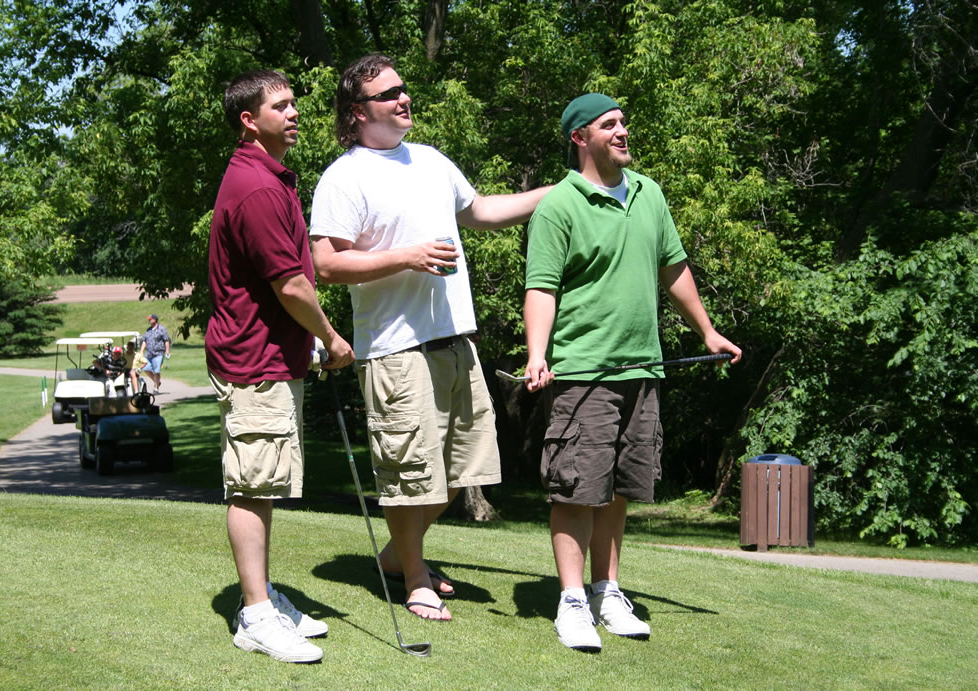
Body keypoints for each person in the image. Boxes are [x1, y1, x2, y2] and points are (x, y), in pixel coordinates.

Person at [310, 53, 552, 622]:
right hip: (395, 347)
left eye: (403, 89)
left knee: (461, 468)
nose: (403, 98)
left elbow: (484, 211)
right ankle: (414, 576)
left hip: (453, 341)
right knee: (410, 473)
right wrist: (407, 257)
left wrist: (559, 191)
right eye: (388, 93)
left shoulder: (431, 161)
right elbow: (324, 264)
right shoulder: (344, 177)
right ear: (355, 112)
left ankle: (398, 555)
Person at [522, 94, 742, 652]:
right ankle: (571, 603)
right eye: (609, 124)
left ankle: (606, 590)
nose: (623, 130)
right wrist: (537, 352)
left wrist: (707, 332)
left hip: (643, 368)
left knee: (618, 487)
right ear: (580, 138)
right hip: (584, 372)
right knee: (576, 488)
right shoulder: (559, 205)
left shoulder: (649, 194)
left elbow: (674, 267)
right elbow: (542, 286)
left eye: (623, 121)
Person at [207, 68, 354, 664]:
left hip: (270, 354)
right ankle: (256, 615)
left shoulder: (268, 176)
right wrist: (331, 337)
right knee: (251, 486)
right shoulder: (261, 187)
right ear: (249, 120)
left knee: (263, 483)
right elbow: (291, 284)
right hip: (254, 361)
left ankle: (262, 594)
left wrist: (307, 340)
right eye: (281, 106)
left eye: (295, 103)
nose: (294, 113)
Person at [141, 314, 171, 393]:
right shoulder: (148, 330)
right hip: (148, 354)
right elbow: (145, 341)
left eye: (151, 319)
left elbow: (166, 340)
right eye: (149, 319)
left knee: (156, 371)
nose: (149, 320)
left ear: (155, 320)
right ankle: (157, 381)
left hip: (158, 353)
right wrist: (141, 351)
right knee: (146, 369)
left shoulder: (162, 329)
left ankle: (156, 388)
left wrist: (167, 351)